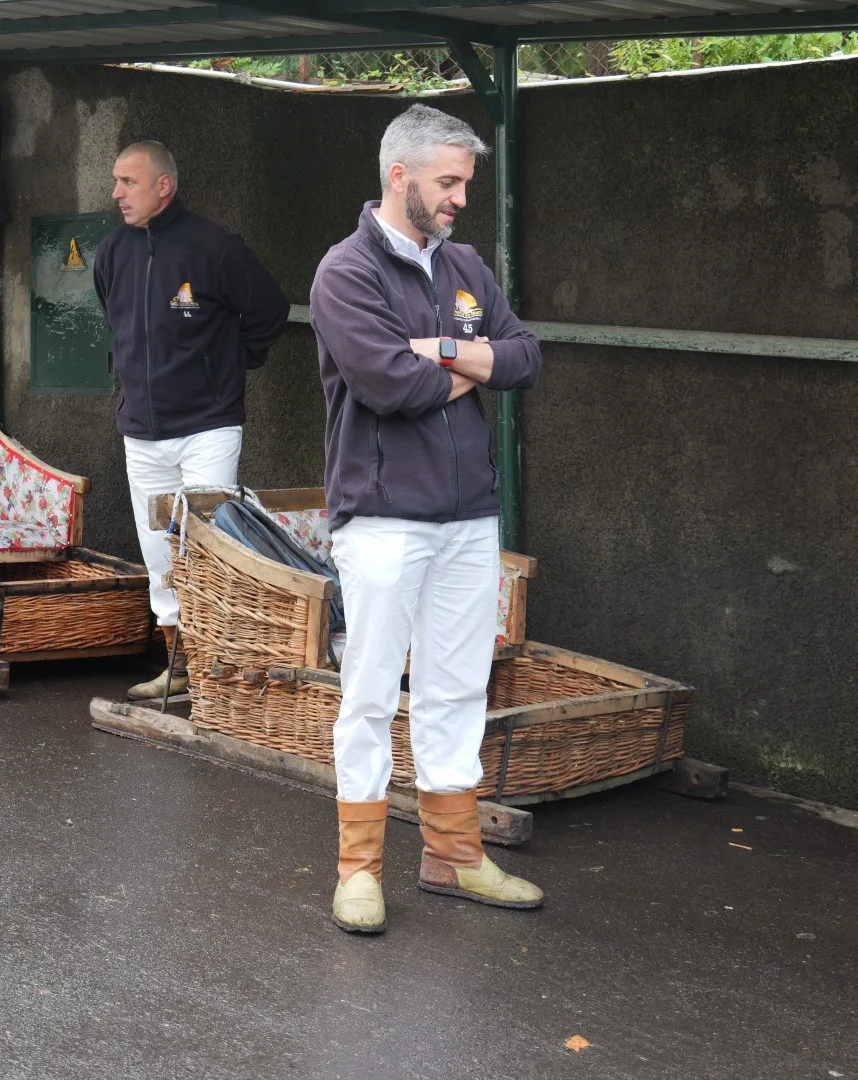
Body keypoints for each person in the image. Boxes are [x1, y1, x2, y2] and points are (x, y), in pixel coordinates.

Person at [309, 105, 544, 934]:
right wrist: (465, 363)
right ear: (398, 176)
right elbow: (387, 387)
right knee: (370, 693)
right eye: (449, 182)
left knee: (457, 690)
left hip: (470, 516)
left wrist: (437, 350)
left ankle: (453, 856)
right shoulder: (345, 273)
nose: (460, 200)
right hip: (381, 518)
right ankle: (359, 871)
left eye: (466, 183)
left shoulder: (467, 264)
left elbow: (523, 357)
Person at [94, 141, 290, 700]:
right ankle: (178, 663)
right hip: (141, 430)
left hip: (208, 424)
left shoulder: (215, 247)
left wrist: (231, 363)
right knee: (159, 550)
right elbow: (115, 320)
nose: (116, 193)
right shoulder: (111, 253)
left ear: (163, 186)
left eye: (127, 182)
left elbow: (269, 311)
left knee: (206, 542)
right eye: (115, 181)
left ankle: (218, 666)